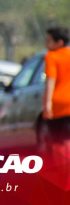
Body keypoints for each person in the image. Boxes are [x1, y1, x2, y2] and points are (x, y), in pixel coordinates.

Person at [44, 26, 70, 164]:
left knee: (57, 141)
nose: (46, 44)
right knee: (67, 139)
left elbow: (50, 81)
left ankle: (62, 172)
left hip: (58, 105)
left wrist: (48, 104)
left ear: (59, 42)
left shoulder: (51, 56)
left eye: (48, 41)